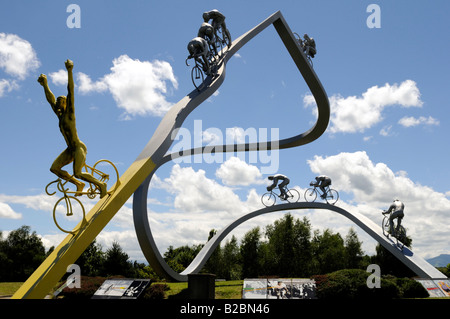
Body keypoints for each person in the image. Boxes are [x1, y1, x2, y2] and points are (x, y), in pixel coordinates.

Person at [38, 59, 107, 198]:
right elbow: (50, 99)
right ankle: (78, 184)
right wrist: (44, 85)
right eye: (57, 102)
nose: (57, 103)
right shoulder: (60, 116)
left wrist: (69, 71)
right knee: (54, 168)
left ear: (65, 103)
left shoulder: (70, 114)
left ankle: (101, 185)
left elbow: (70, 90)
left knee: (78, 172)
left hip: (78, 148)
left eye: (60, 101)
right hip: (70, 149)